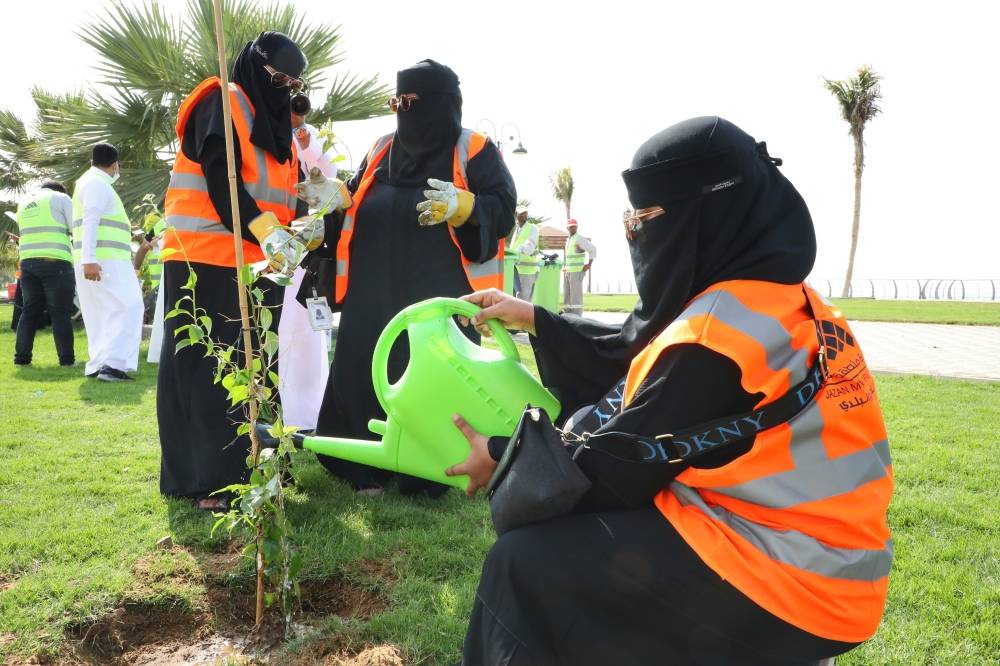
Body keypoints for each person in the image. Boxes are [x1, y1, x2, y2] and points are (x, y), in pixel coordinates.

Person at [448, 117, 893, 664]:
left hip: (791, 584)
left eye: (647, 217)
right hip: (840, 566)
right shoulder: (783, 300)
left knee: (523, 564)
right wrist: (537, 318)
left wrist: (498, 455)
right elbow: (643, 356)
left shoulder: (716, 341)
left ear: (704, 216)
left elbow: (601, 476)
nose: (635, 232)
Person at [297, 59, 516, 495]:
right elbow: (353, 199)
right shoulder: (381, 148)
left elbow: (503, 209)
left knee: (430, 377)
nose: (402, 112)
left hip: (437, 295)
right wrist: (331, 202)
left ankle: (426, 470)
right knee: (360, 368)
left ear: (442, 103)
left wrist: (465, 206)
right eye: (395, 103)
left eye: (411, 102)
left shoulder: (473, 148)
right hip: (370, 293)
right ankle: (360, 465)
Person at [158, 32, 308, 509]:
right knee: (209, 370)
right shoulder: (221, 101)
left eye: (295, 84)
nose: (286, 90)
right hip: (204, 259)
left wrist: (314, 209)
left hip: (261, 264)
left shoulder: (279, 129)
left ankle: (262, 465)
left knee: (258, 365)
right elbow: (221, 180)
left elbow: (287, 193)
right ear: (256, 68)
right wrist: (265, 229)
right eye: (279, 80)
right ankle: (210, 481)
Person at [275, 99, 334, 431]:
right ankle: (276, 408)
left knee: (305, 332)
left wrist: (307, 146)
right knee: (275, 329)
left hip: (304, 247)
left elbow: (327, 183)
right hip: (272, 244)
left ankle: (307, 413)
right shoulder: (263, 130)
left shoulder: (309, 136)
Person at [72, 143, 144, 381]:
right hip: (107, 260)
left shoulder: (86, 181)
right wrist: (90, 260)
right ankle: (113, 365)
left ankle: (98, 364)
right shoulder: (98, 184)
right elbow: (91, 220)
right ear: (115, 165)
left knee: (99, 312)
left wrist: (88, 259)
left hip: (94, 259)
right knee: (130, 306)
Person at [13, 181, 76, 367]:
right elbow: (77, 227)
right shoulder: (61, 198)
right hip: (56, 262)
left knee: (29, 312)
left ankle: (21, 359)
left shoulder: (24, 202)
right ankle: (66, 361)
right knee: (60, 313)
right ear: (61, 190)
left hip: (27, 263)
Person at [561, 218, 597, 315]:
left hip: (577, 272)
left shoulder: (579, 238)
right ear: (567, 228)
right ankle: (567, 314)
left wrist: (589, 264)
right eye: (571, 227)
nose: (573, 228)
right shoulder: (569, 239)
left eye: (574, 226)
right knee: (567, 294)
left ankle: (577, 315)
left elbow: (593, 249)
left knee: (576, 296)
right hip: (568, 271)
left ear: (577, 227)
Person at [510, 206, 539, 301]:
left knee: (523, 300)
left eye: (525, 213)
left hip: (527, 271)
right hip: (517, 270)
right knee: (517, 299)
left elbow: (530, 246)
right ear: (516, 215)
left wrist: (517, 250)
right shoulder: (517, 230)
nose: (524, 215)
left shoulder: (533, 228)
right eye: (521, 213)